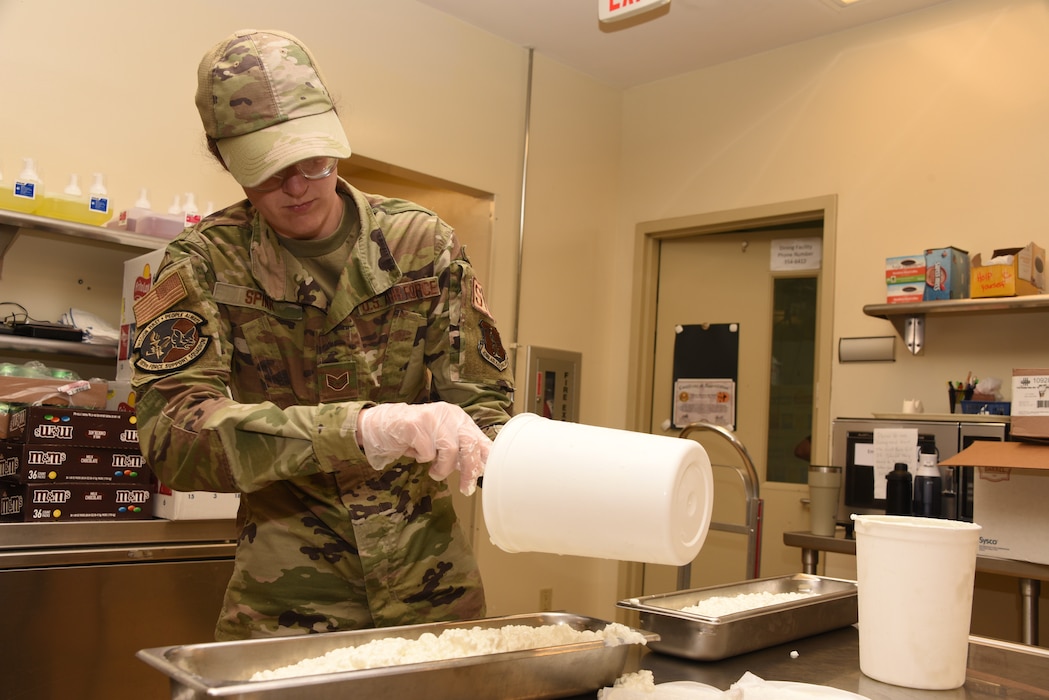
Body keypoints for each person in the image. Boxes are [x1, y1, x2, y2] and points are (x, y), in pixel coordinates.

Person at [130, 29, 515, 641]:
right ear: (224, 158)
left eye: (314, 159)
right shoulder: (203, 264)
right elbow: (173, 437)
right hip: (286, 601)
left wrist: (521, 466)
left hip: (433, 590)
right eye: (269, 169)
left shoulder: (424, 245)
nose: (298, 186)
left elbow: (485, 404)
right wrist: (359, 430)